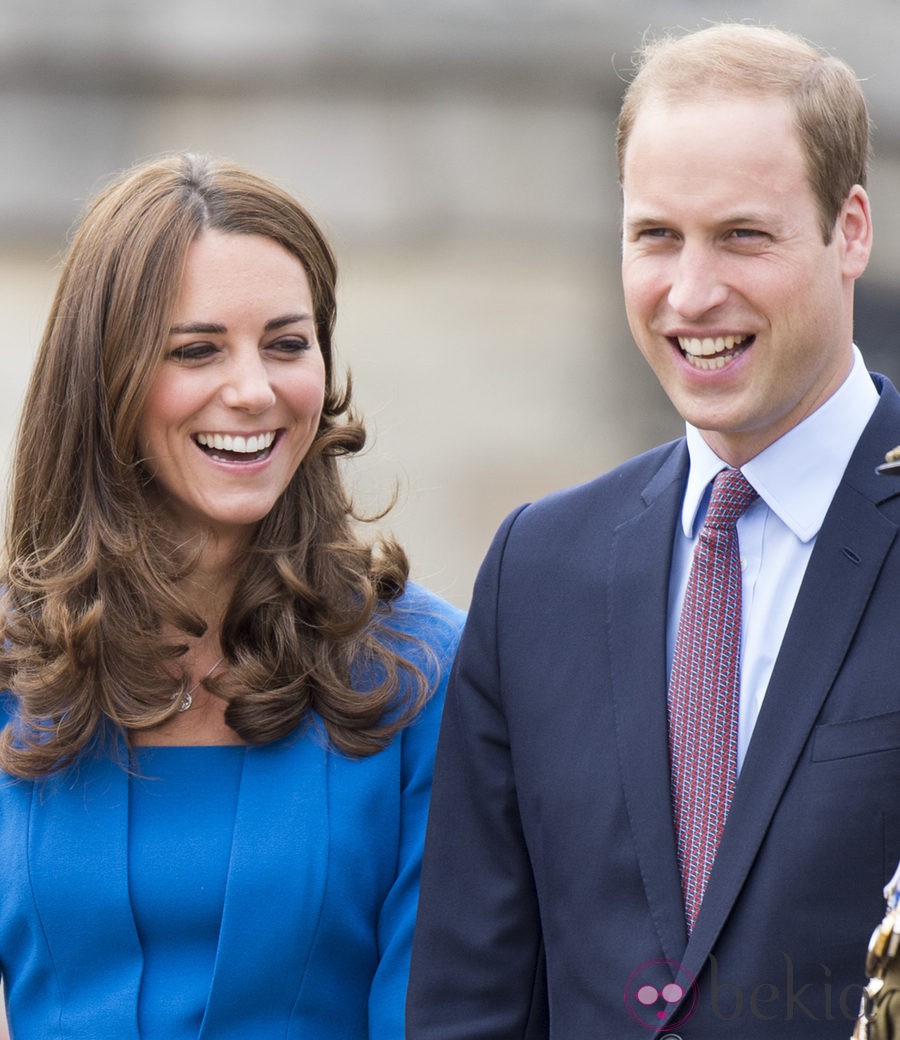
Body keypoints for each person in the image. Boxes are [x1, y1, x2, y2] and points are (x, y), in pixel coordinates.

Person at [406, 22, 900, 1039]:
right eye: (656, 235)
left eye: (742, 235)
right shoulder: (535, 570)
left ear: (852, 229)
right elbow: (474, 1000)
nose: (691, 291)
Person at [0, 152, 464, 1039]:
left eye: (287, 345)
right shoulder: (11, 661)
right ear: (105, 381)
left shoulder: (425, 674)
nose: (253, 391)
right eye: (196, 350)